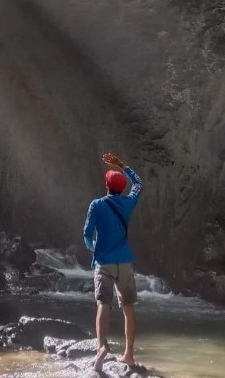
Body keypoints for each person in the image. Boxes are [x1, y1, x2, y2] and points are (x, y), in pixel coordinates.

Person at [83, 152, 143, 372]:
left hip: (104, 262)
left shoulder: (96, 205)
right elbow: (139, 183)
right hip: (125, 261)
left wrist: (94, 248)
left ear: (107, 186)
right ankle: (128, 355)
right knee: (128, 308)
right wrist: (122, 165)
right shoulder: (128, 203)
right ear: (121, 188)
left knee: (103, 305)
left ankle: (101, 347)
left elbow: (87, 234)